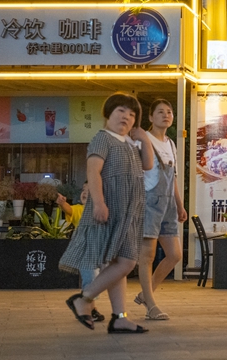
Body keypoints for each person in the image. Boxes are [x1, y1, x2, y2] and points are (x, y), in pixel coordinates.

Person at [59, 92, 154, 333]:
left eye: (132, 115)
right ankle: (84, 298)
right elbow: (93, 171)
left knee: (118, 263)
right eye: (121, 111)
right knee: (127, 262)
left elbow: (148, 164)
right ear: (108, 113)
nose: (126, 117)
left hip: (127, 213)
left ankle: (119, 317)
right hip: (111, 209)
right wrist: (99, 203)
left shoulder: (129, 143)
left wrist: (144, 138)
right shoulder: (103, 138)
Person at [134, 99, 188, 321]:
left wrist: (179, 205)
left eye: (169, 112)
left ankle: (146, 294)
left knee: (174, 254)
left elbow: (172, 178)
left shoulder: (171, 144)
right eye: (160, 112)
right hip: (148, 203)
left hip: (167, 205)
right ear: (150, 117)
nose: (166, 115)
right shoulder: (143, 140)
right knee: (147, 256)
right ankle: (151, 305)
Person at [55, 182, 104, 322]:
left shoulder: (101, 211)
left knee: (94, 281)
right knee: (90, 280)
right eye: (83, 190)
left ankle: (90, 308)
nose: (85, 192)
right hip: (85, 251)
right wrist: (62, 203)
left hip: (98, 253)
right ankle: (88, 309)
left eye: (90, 190)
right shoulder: (79, 209)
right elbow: (69, 209)